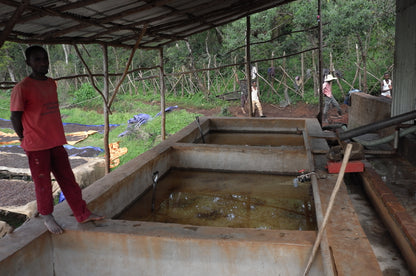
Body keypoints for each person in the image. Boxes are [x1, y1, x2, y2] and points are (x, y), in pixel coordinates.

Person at [10, 46, 104, 234]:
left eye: (45, 58)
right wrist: (23, 137)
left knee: (68, 179)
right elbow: (14, 117)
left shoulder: (51, 83)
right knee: (43, 182)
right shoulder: (22, 88)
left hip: (55, 141)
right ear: (29, 63)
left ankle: (82, 213)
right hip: (36, 145)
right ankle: (47, 216)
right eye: (37, 59)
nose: (43, 62)